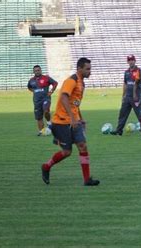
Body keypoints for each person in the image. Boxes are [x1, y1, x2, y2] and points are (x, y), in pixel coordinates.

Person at [41, 58, 100, 186]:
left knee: (83, 146)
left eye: (90, 68)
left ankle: (87, 179)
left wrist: (80, 118)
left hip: (74, 122)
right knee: (67, 152)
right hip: (62, 122)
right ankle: (46, 166)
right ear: (79, 69)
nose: (90, 71)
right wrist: (72, 118)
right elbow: (63, 97)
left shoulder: (81, 83)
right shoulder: (71, 80)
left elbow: (75, 104)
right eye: (87, 69)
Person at [110, 55, 141, 136]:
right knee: (122, 114)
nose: (131, 61)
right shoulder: (126, 72)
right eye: (129, 60)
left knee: (140, 114)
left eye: (132, 60)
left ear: (135, 61)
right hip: (127, 97)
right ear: (127, 62)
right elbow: (125, 83)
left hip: (136, 97)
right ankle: (119, 130)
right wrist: (123, 95)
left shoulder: (139, 71)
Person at [27, 65, 58, 135]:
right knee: (39, 117)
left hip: (46, 98)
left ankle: (49, 122)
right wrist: (35, 91)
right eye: (35, 71)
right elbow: (29, 87)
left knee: (46, 110)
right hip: (36, 101)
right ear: (33, 71)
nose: (37, 72)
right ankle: (42, 131)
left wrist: (51, 91)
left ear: (40, 70)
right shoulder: (31, 80)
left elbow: (55, 83)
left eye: (38, 70)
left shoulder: (46, 78)